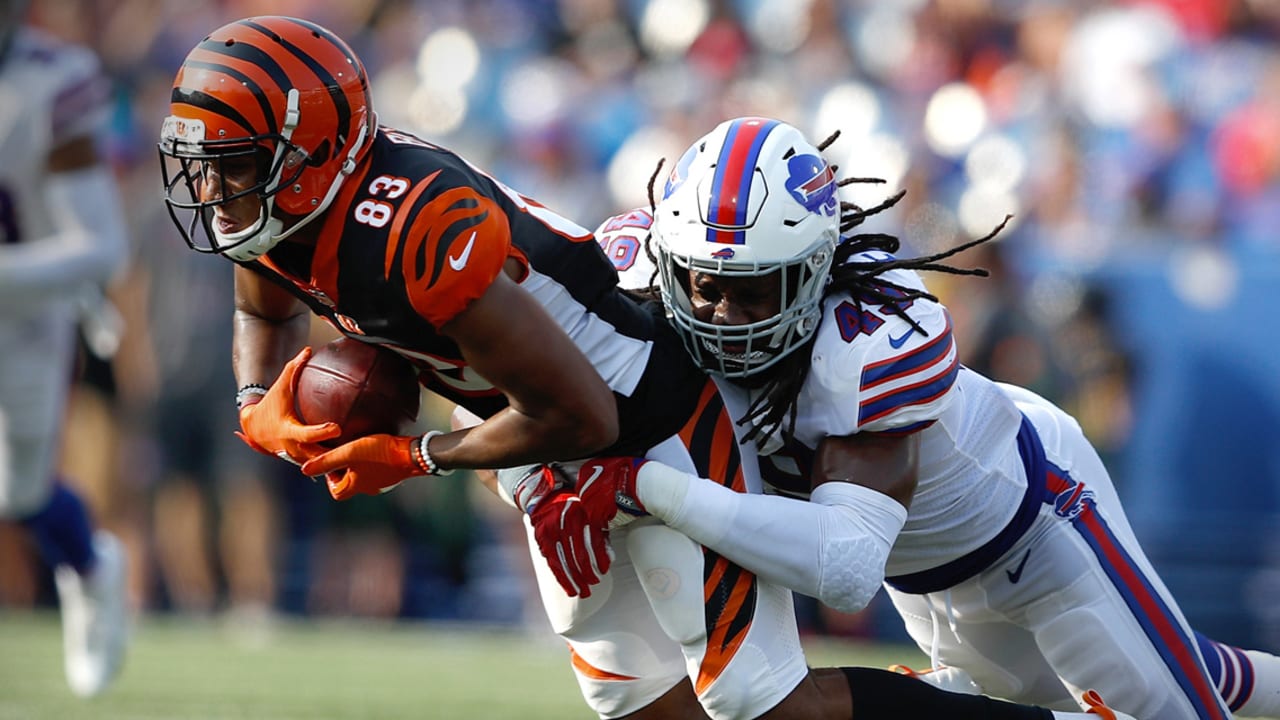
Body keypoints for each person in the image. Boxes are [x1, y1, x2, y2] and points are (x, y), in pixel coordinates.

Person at [157, 17, 1137, 720]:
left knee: (756, 697)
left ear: (316, 151)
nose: (211, 188)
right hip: (533, 435)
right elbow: (263, 276)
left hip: (648, 416)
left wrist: (416, 458)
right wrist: (253, 400)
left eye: (233, 163)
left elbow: (580, 411)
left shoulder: (419, 235)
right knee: (624, 690)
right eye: (207, 163)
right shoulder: (290, 207)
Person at [550, 116, 1280, 719]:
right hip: (925, 578)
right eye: (706, 284)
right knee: (1195, 674)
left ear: (812, 271)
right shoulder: (636, 274)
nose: (722, 315)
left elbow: (842, 567)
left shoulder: (867, 338)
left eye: (758, 290)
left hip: (1036, 528)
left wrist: (650, 489)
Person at [0, 0, 130, 697]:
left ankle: (89, 565)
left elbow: (103, 247)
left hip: (24, 315)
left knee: (17, 490)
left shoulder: (52, 81)